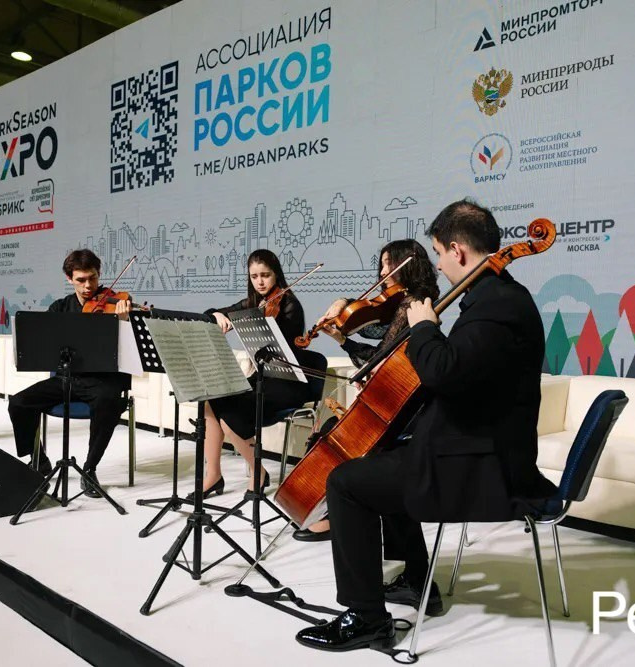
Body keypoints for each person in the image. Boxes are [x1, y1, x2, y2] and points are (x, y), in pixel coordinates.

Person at [295, 199, 558, 652]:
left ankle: (366, 617)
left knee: (345, 483)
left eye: (438, 252)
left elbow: (443, 371)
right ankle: (418, 579)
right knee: (386, 458)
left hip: (486, 469)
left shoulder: (496, 306)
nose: (438, 263)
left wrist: (423, 327)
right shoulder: (498, 298)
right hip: (479, 448)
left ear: (457, 250)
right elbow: (464, 375)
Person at [292, 239, 440, 542]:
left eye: (389, 264)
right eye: (382, 264)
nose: (383, 272)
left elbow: (379, 357)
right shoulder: (400, 303)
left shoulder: (414, 303)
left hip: (410, 409)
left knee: (332, 434)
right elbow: (372, 328)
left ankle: (331, 513)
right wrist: (342, 310)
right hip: (397, 399)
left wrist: (344, 338)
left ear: (408, 264)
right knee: (331, 431)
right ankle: (325, 509)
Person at [7, 249, 132, 497]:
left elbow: (130, 352)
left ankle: (90, 469)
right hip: (67, 378)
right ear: (69, 279)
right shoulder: (60, 307)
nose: (88, 286)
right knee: (19, 403)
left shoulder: (116, 304)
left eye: (93, 278)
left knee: (108, 401)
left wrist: (124, 322)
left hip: (102, 380)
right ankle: (38, 459)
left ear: (99, 274)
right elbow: (44, 342)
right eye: (81, 280)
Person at [194, 249, 310, 498]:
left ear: (276, 274)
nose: (260, 282)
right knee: (209, 401)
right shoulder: (253, 302)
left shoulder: (290, 305)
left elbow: (284, 349)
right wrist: (216, 314)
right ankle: (213, 475)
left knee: (230, 413)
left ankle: (258, 473)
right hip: (263, 379)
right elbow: (210, 313)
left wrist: (261, 322)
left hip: (287, 382)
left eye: (265, 275)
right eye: (254, 276)